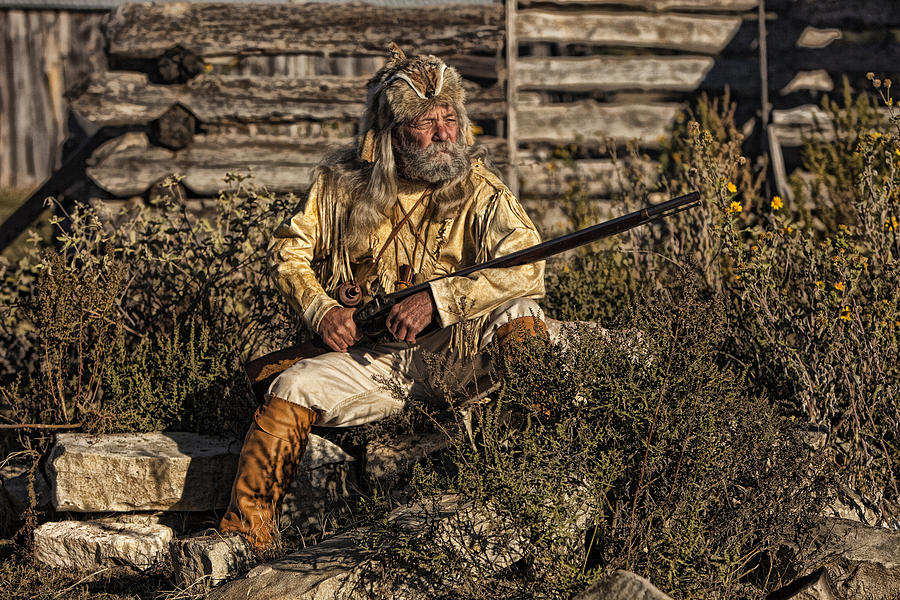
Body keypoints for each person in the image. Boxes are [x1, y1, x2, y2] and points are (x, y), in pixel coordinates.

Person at [218, 43, 547, 552]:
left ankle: (545, 469)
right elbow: (288, 252)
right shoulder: (340, 185)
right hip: (374, 360)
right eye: (424, 122)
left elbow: (527, 263)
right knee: (292, 386)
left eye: (449, 118)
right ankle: (248, 533)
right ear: (392, 133)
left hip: (458, 353)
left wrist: (441, 301)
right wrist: (321, 309)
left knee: (522, 312)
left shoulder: (480, 188)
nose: (443, 133)